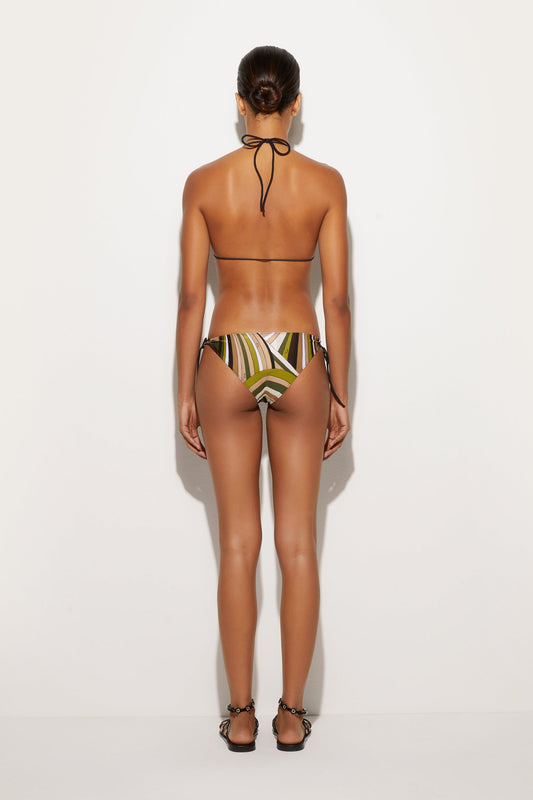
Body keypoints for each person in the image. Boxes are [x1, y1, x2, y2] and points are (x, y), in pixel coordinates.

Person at [176, 45, 350, 752]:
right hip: (299, 353)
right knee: (298, 544)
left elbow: (191, 298)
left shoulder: (203, 183)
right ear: (296, 104)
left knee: (237, 545)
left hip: (227, 353)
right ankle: (292, 716)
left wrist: (182, 390)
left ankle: (240, 714)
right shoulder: (326, 183)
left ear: (241, 102)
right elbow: (336, 301)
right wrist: (341, 391)